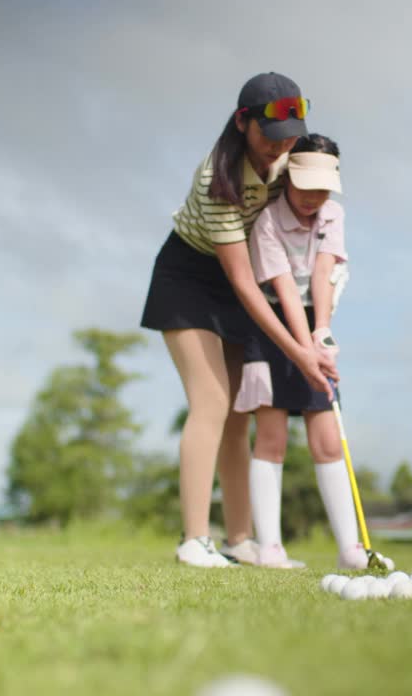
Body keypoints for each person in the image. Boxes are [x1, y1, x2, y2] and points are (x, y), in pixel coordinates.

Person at [140, 73, 337, 567]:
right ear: (242, 123)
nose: (281, 149)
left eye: (290, 138)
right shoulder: (217, 178)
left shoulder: (292, 158)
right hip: (190, 277)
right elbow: (243, 282)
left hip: (244, 280)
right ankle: (192, 540)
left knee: (238, 414)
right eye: (271, 139)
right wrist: (298, 351)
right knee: (211, 400)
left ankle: (240, 539)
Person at [232, 133, 388, 570]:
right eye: (305, 186)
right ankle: (271, 549)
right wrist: (304, 349)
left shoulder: (332, 214)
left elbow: (322, 274)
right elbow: (281, 288)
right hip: (270, 325)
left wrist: (322, 333)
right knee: (272, 438)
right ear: (289, 179)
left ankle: (351, 549)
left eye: (323, 188)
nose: (313, 197)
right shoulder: (267, 223)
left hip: (312, 320)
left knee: (326, 440)